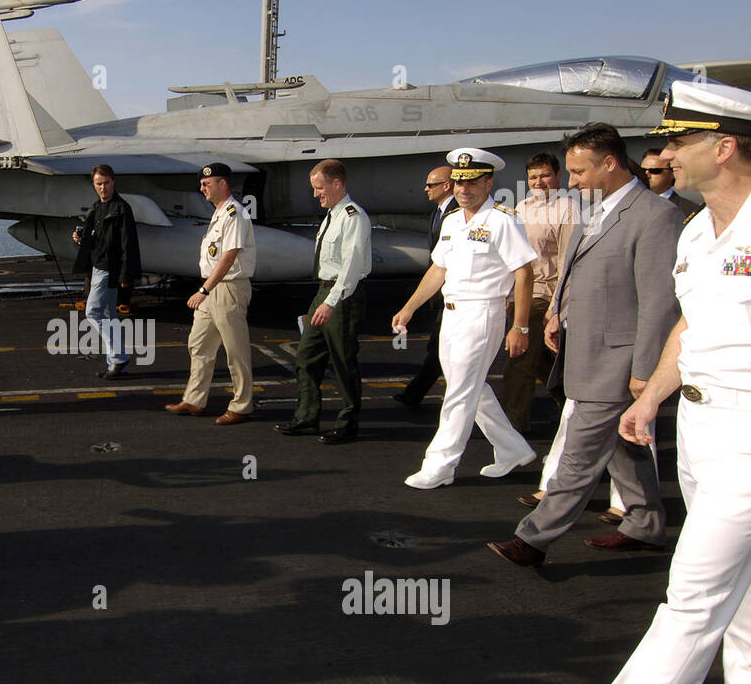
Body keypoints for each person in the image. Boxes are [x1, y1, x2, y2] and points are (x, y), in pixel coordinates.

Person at [555, 82, 751, 684]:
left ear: (723, 147)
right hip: (701, 423)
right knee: (740, 571)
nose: (664, 153)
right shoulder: (698, 230)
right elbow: (690, 324)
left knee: (694, 585)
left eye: (679, 142)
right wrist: (654, 398)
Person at [488, 124, 681, 568]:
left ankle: (532, 540)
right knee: (623, 447)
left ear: (609, 163)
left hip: (618, 357)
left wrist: (645, 370)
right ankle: (646, 525)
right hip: (582, 346)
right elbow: (572, 268)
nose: (570, 181)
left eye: (577, 171)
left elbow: (658, 301)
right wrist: (557, 312)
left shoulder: (655, 215)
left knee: (578, 453)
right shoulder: (592, 208)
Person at [391, 147, 537, 489]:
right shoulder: (453, 221)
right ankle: (512, 448)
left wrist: (521, 326)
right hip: (453, 314)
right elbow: (438, 269)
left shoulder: (503, 219)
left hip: (483, 313)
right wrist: (409, 307)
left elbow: (524, 273)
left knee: (459, 391)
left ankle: (440, 466)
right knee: (472, 388)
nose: (463, 189)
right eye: (458, 182)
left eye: (471, 183)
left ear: (488, 183)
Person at [275, 159, 370, 443]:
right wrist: (323, 299)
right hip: (325, 292)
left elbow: (351, 267)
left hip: (344, 296)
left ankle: (348, 423)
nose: (316, 194)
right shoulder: (332, 215)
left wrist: (330, 303)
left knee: (343, 360)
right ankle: (307, 417)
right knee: (306, 356)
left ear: (337, 183)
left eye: (319, 188)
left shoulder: (353, 217)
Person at [164, 163, 256, 425]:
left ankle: (242, 405)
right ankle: (194, 400)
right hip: (212, 287)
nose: (202, 187)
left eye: (207, 183)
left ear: (223, 184)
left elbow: (228, 257)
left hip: (227, 288)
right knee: (199, 343)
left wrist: (204, 289)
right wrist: (206, 288)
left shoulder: (234, 214)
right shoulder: (218, 214)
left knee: (235, 349)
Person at [500, 153, 576, 433]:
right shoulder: (522, 207)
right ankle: (570, 402)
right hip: (520, 292)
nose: (539, 182)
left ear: (558, 176)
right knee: (541, 360)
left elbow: (568, 262)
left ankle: (512, 428)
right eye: (533, 177)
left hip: (544, 294)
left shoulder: (568, 209)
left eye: (545, 176)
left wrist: (556, 308)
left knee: (518, 360)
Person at [72, 164, 141, 380]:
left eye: (106, 183)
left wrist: (125, 276)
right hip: (98, 267)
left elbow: (128, 244)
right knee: (110, 317)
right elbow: (99, 241)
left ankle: (119, 358)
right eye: (98, 184)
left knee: (92, 312)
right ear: (94, 185)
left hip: (108, 270)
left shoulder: (121, 208)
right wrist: (82, 240)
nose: (103, 188)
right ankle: (117, 365)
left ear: (114, 182)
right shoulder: (97, 208)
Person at [394, 167, 457, 407]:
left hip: (453, 292)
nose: (426, 189)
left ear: (447, 185)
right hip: (440, 290)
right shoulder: (438, 213)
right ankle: (416, 393)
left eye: (431, 185)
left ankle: (415, 393)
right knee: (439, 347)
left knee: (440, 347)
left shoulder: (456, 214)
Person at [641, 146, 701, 219]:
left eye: (654, 171)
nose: (647, 174)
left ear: (672, 173)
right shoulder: (632, 204)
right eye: (642, 170)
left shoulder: (690, 210)